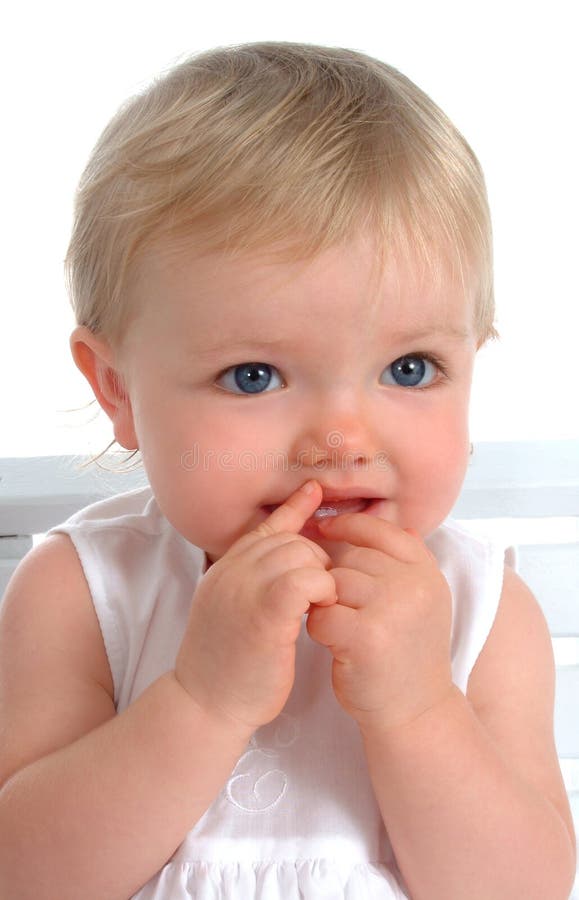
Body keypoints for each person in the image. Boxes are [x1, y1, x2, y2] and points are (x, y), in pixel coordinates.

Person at [0, 41, 575, 900]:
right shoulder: (84, 592)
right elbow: (26, 875)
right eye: (253, 376)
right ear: (116, 389)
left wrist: (418, 707)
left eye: (409, 368)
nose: (341, 438)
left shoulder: (480, 608)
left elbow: (523, 887)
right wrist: (202, 698)